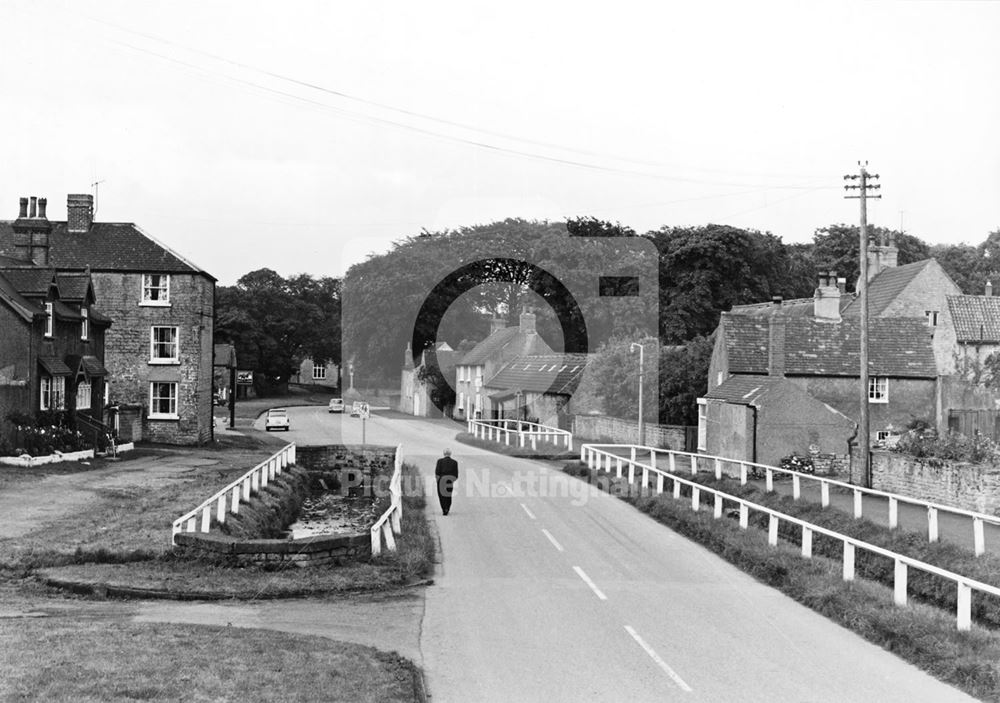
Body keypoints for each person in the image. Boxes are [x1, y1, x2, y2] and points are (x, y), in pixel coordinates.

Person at [435, 448, 459, 515]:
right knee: (448, 495)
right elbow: (456, 475)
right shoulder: (454, 462)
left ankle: (444, 509)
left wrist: (438, 481)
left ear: (444, 454)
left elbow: (437, 472)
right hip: (449, 480)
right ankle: (447, 508)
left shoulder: (439, 461)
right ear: (450, 454)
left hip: (441, 480)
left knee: (441, 495)